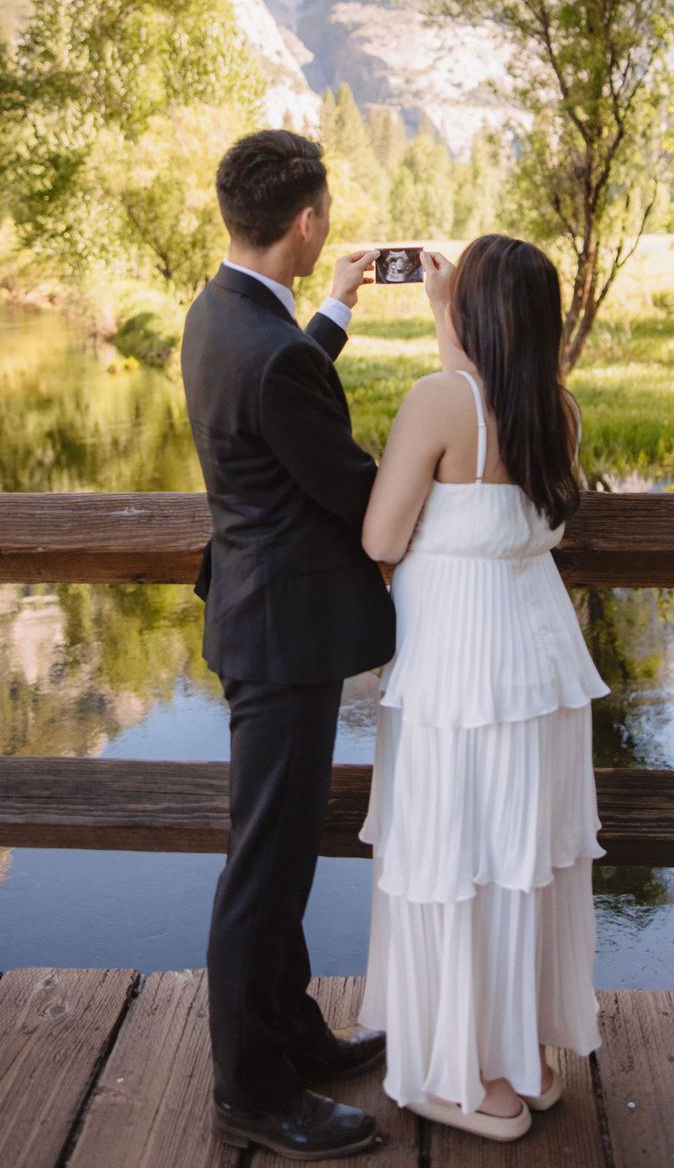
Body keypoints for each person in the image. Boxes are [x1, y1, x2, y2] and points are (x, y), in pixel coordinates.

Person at [358, 234, 609, 1142]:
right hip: (537, 666)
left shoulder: (438, 401)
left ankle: (466, 1077)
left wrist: (444, 337)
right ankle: (525, 1059)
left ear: (481, 313)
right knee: (521, 857)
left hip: (458, 670)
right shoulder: (556, 410)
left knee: (451, 855)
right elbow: (481, 409)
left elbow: (384, 538)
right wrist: (444, 318)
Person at [181, 129, 397, 1161]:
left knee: (274, 852)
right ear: (305, 222)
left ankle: (294, 1033)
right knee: (264, 868)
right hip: (284, 633)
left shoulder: (218, 310)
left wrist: (340, 306)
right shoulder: (269, 355)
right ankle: (252, 1088)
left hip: (254, 615)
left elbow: (281, 391)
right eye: (327, 222)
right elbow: (357, 491)